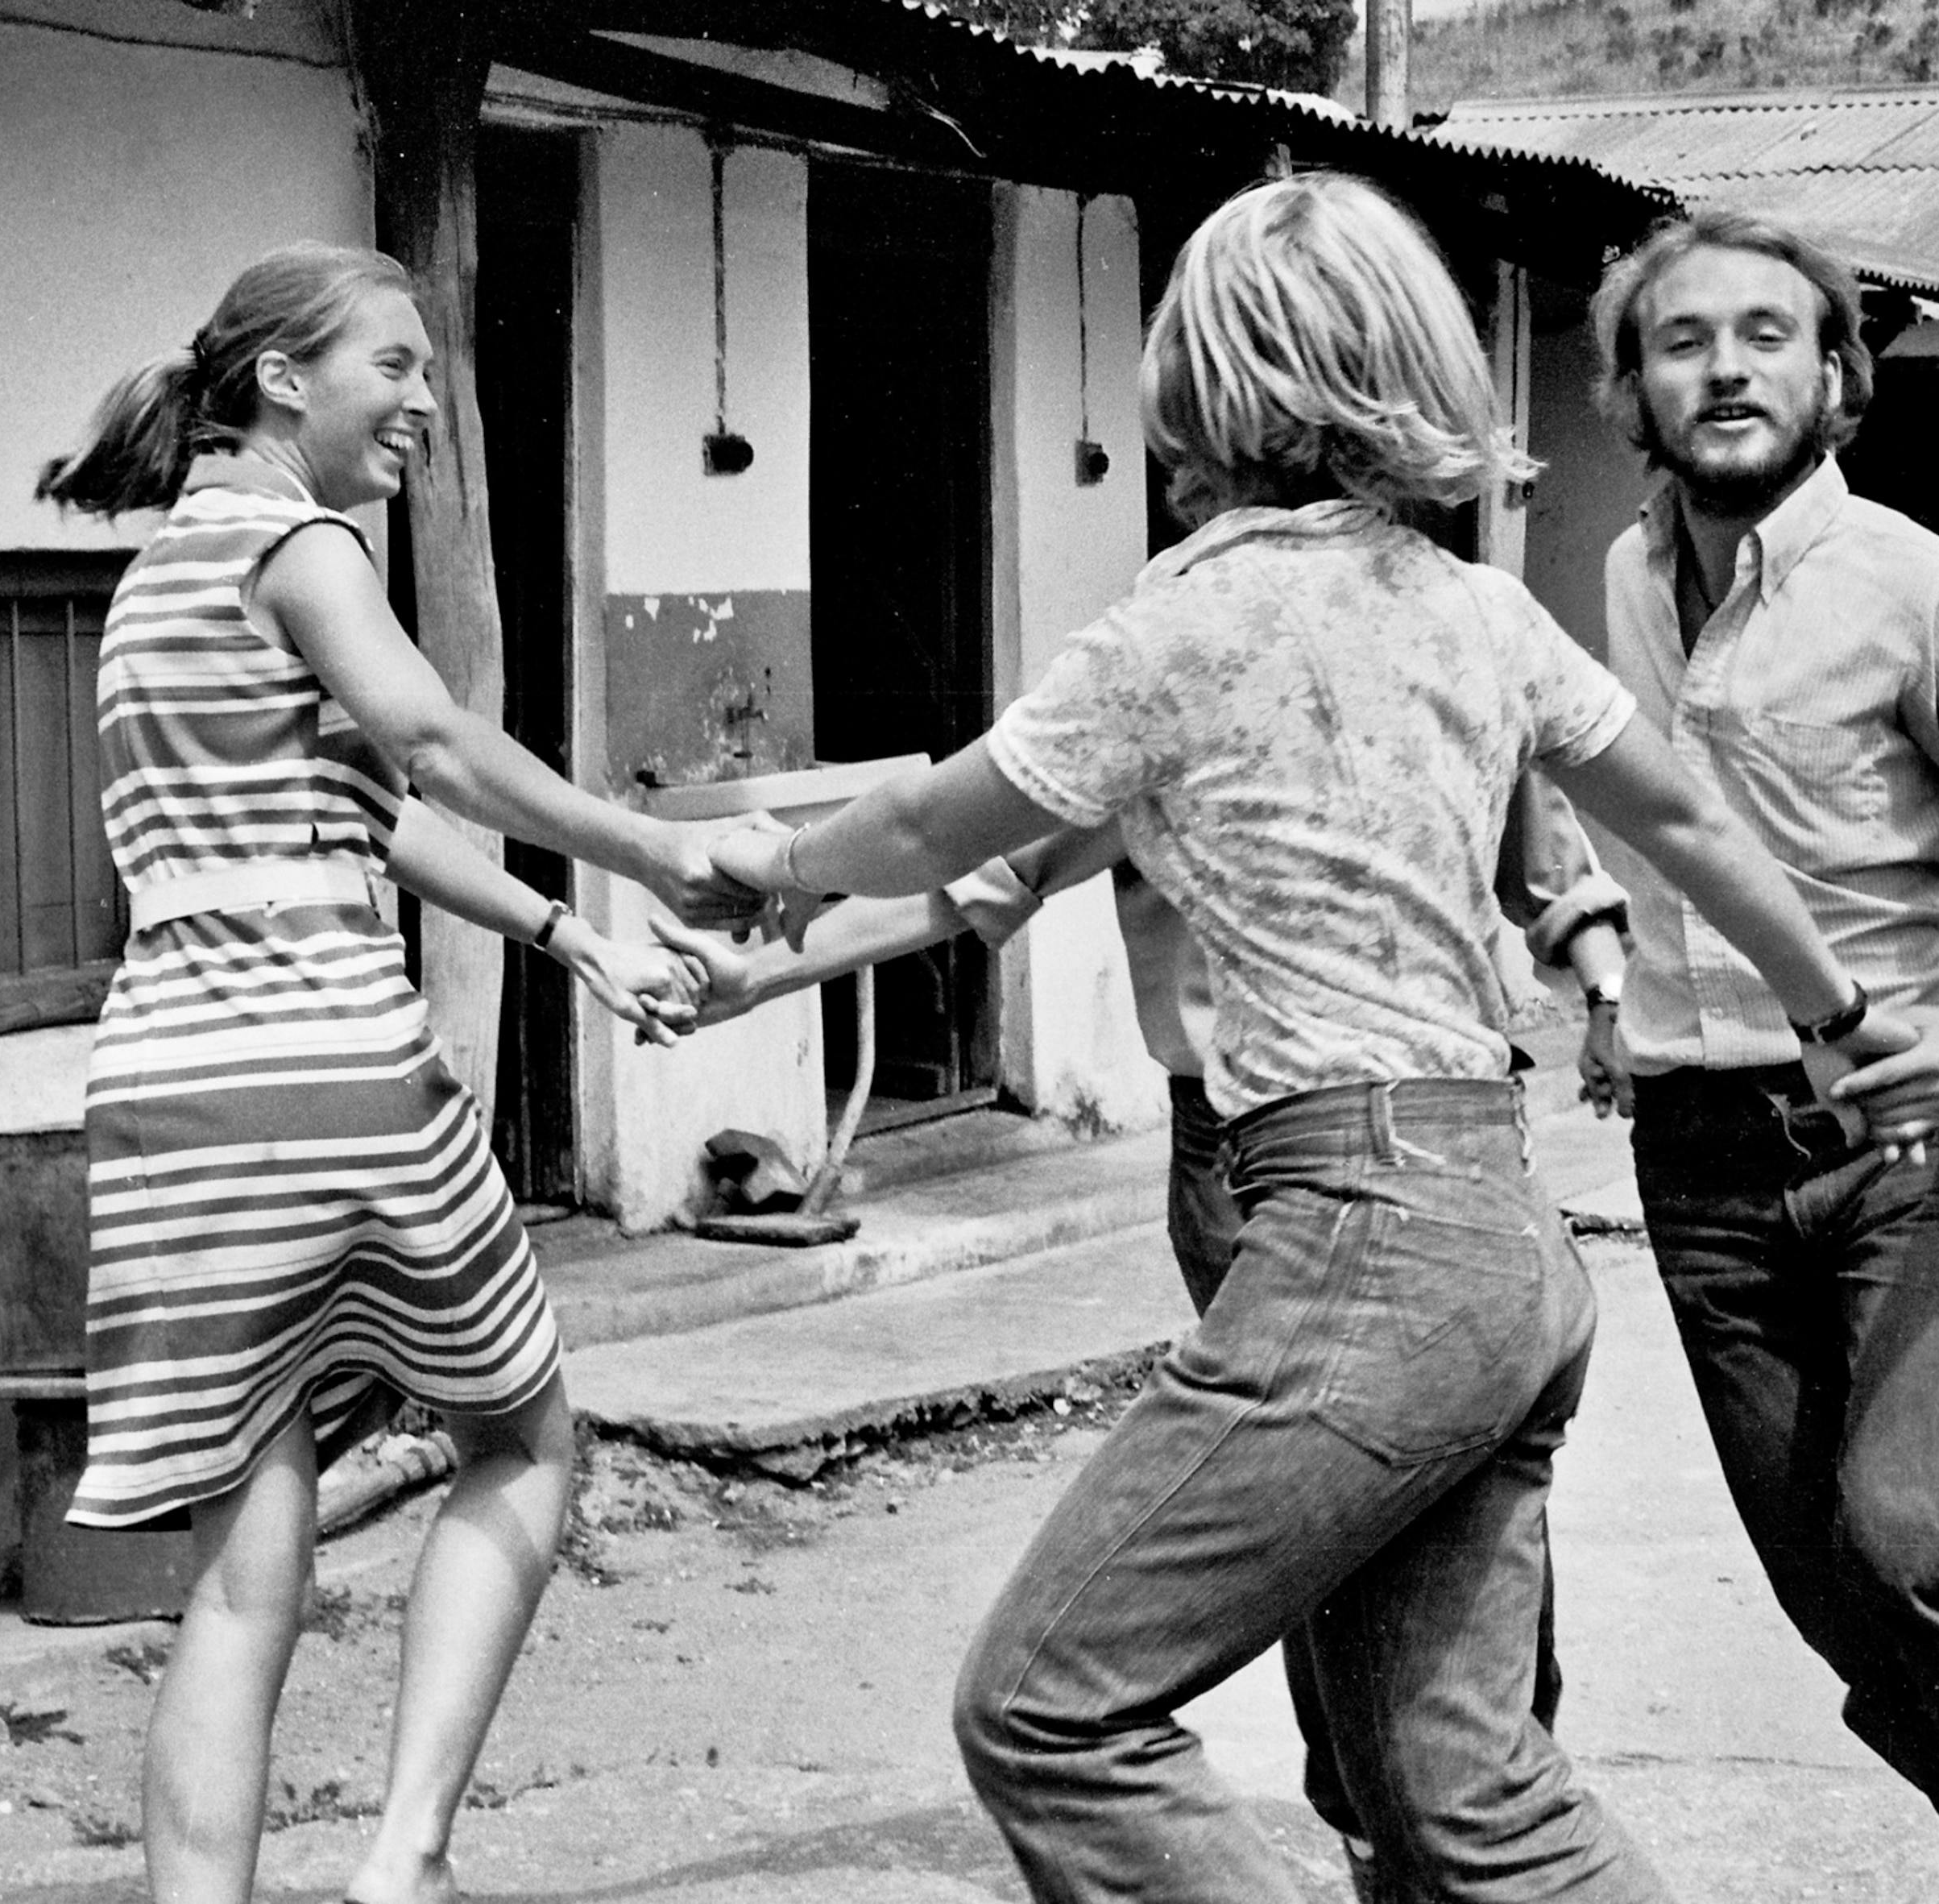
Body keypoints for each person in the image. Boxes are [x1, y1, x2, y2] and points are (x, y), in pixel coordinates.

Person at [705, 171, 1911, 1904]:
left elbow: (929, 831)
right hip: (1498, 1235)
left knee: (1047, 1715)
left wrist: (771, 865)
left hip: (1355, 1232)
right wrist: (1838, 1019)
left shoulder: (1177, 627)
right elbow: (1701, 830)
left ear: (1195, 384)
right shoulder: (1480, 613)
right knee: (1468, 1792)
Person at [35, 242, 760, 1904]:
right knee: (524, 1438)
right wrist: (645, 846)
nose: (428, 404)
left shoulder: (161, 579)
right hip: (332, 1069)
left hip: (163, 1107)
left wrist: (570, 939)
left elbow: (367, 812)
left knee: (240, 1560)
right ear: (284, 379)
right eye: (398, 366)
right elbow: (432, 744)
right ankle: (404, 1861)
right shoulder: (301, 543)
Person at [678, 779, 1626, 1897]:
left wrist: (1607, 995)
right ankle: (1401, 1850)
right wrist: (773, 959)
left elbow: (1547, 849)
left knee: (1452, 1595)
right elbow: (983, 859)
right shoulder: (1192, 662)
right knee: (1324, 1537)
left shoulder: (1441, 621)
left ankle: (1459, 1841)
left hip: (1448, 1124)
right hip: (1267, 1155)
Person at [1580, 208, 1939, 1902]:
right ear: (1631, 389)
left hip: (1907, 1144)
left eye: (1770, 333)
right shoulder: (1620, 577)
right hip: (1695, 1156)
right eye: (1684, 338)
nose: (1727, 364)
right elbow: (1642, 830)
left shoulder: (1926, 587)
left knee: (1911, 1532)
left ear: (1837, 379)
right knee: (1828, 1581)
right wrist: (1608, 972)